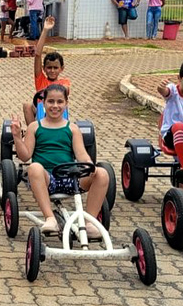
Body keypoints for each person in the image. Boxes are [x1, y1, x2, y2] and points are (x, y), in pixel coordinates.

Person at [10, 84, 110, 238]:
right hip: (46, 180)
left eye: (59, 102)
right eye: (51, 102)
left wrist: (91, 167)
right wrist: (17, 137)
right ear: (43, 104)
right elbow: (25, 156)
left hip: (71, 178)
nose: (55, 106)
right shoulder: (35, 127)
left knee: (102, 173)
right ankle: (50, 218)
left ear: (66, 104)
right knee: (34, 167)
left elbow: (82, 155)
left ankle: (89, 222)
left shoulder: (72, 128)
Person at [23, 16, 71, 124]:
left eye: (55, 68)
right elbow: (37, 55)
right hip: (42, 111)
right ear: (44, 69)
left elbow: (66, 89)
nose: (52, 71)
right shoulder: (41, 80)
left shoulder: (64, 82)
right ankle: (33, 133)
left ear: (61, 69)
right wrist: (45, 30)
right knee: (27, 105)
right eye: (49, 68)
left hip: (57, 111)